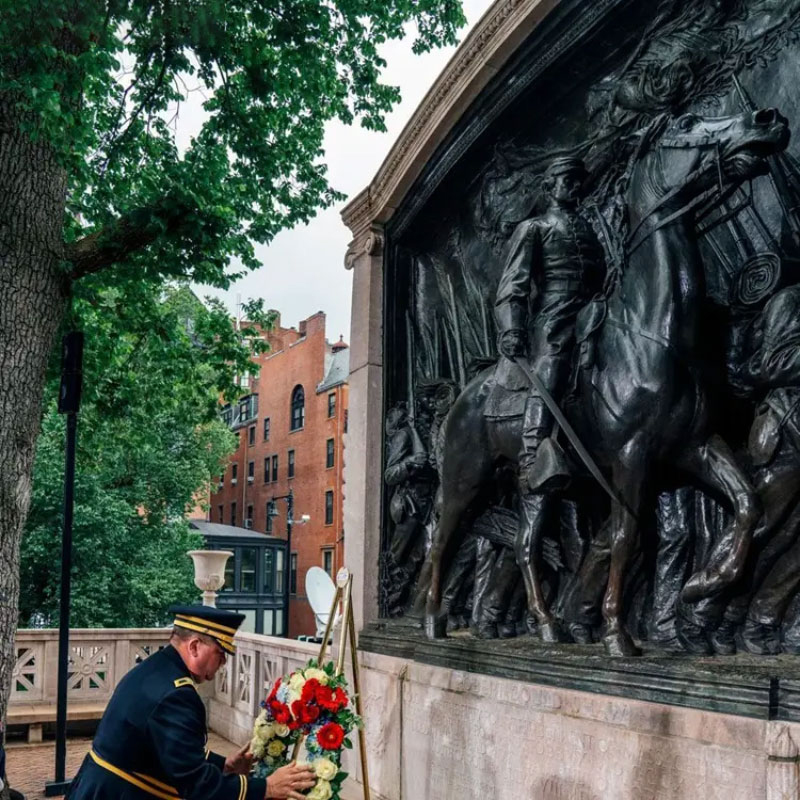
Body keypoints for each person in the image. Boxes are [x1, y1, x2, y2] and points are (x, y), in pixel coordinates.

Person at [66, 605, 316, 799]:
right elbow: (196, 786)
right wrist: (267, 787)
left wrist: (223, 764)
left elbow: (168, 748)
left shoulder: (158, 669)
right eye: (220, 653)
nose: (224, 663)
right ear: (195, 646)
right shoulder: (176, 695)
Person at [494, 155, 606, 493]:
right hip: (554, 314)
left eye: (577, 181)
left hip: (595, 306)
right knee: (552, 363)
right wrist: (512, 327)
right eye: (567, 179)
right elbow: (513, 284)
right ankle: (532, 456)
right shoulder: (535, 229)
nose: (574, 186)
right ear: (549, 186)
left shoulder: (592, 226)